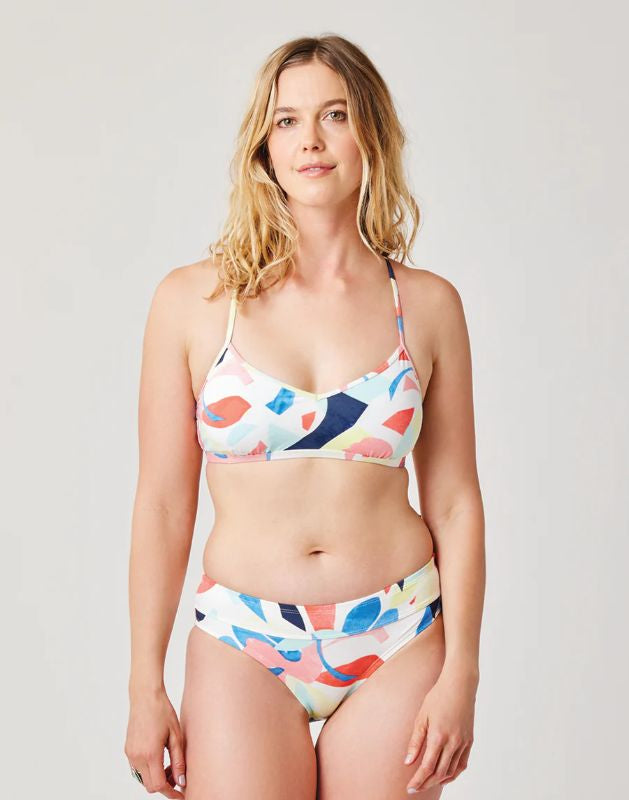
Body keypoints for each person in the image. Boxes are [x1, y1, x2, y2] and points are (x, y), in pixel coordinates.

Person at [125, 34, 485, 800]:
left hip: (396, 634)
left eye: (334, 115)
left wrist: (462, 672)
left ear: (371, 134)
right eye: (286, 120)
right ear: (263, 144)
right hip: (243, 639)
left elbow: (455, 500)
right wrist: (143, 684)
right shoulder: (193, 302)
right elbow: (161, 504)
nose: (310, 140)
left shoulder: (426, 306)